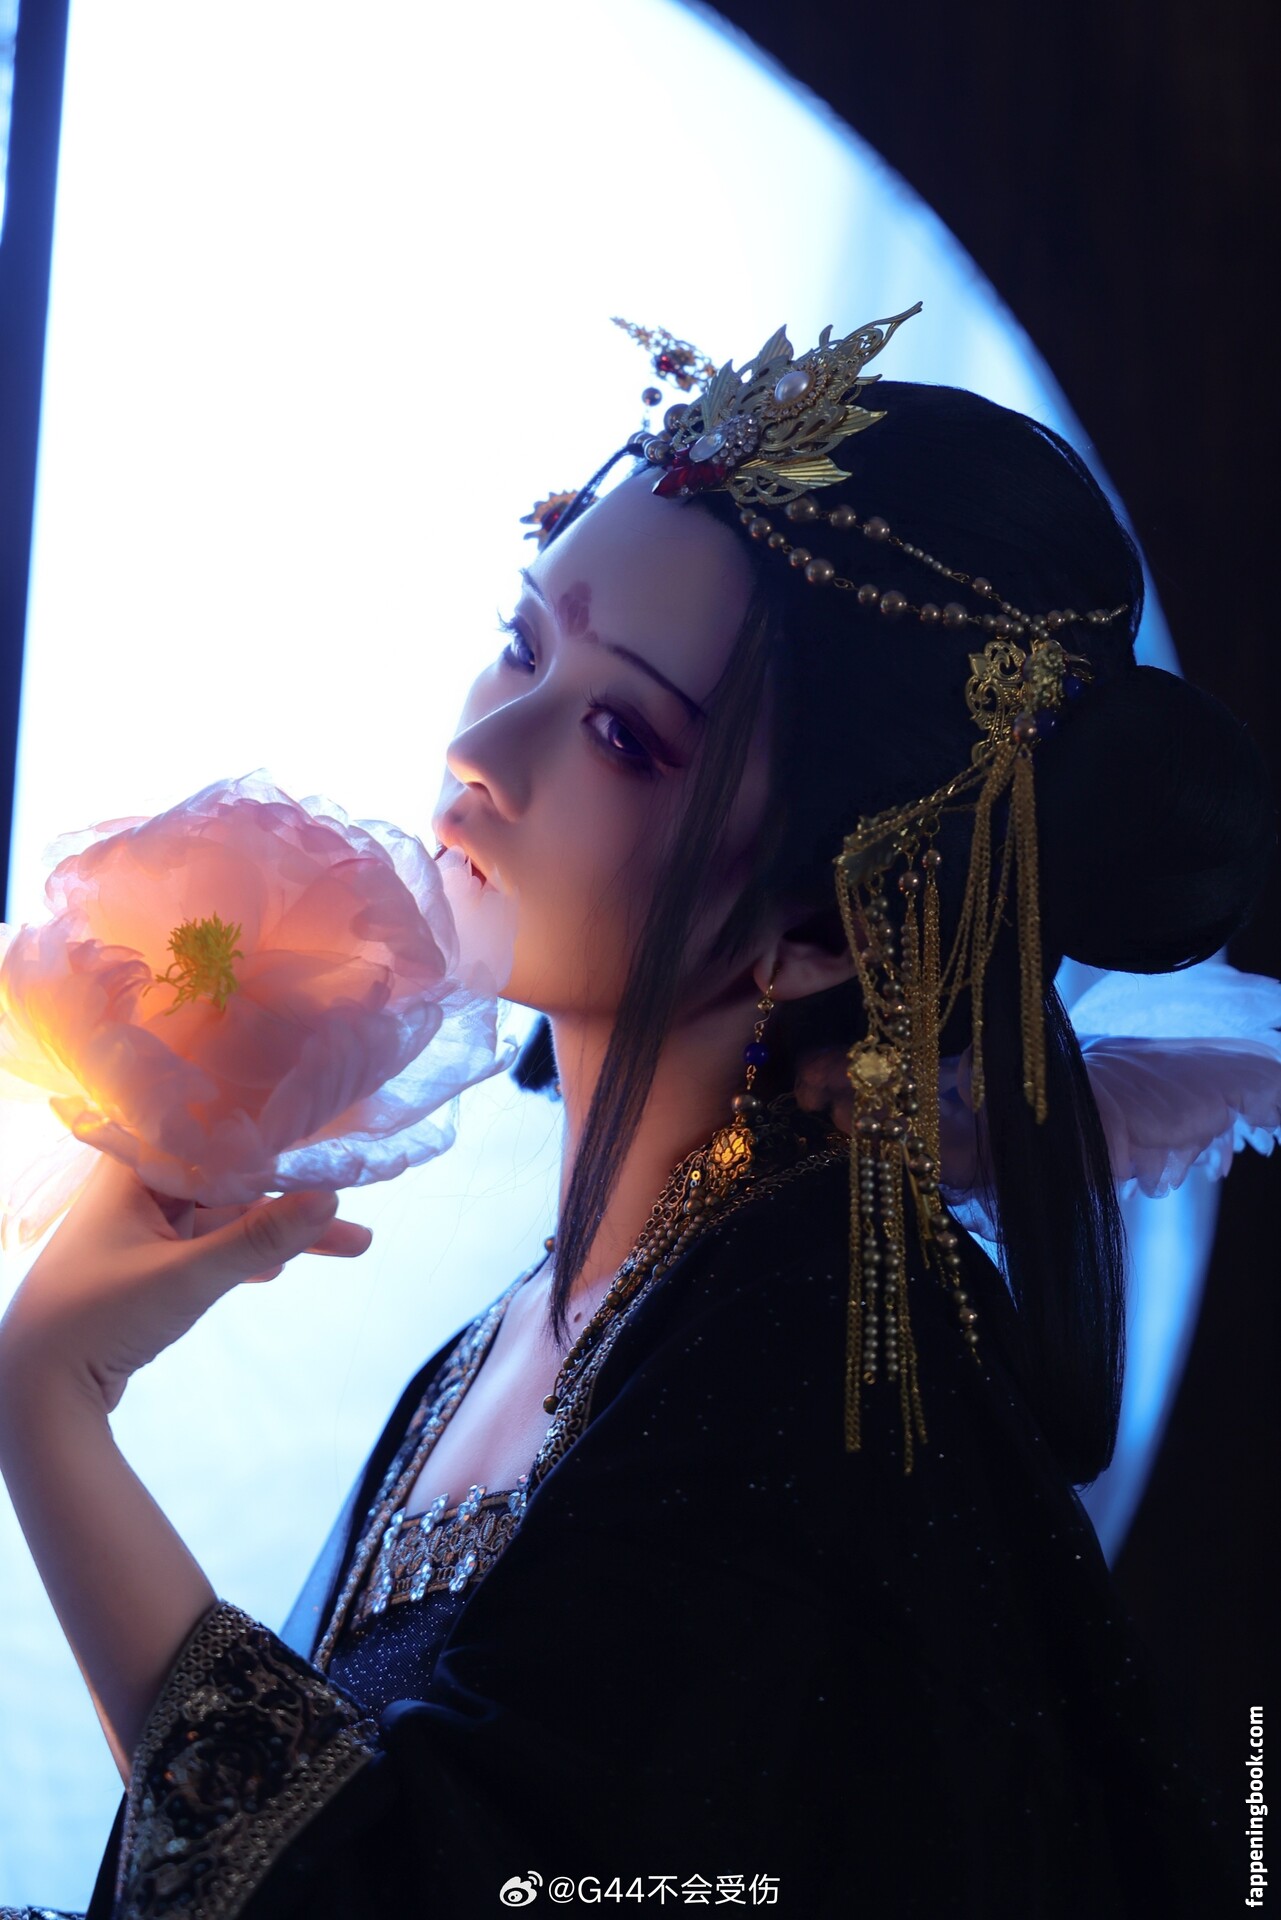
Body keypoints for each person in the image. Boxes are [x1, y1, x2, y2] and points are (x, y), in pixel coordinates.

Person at [0, 307, 1272, 1918]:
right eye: (524, 644)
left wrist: (50, 1407)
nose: (479, 748)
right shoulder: (535, 1326)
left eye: (623, 733)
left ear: (820, 926)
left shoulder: (826, 1361)